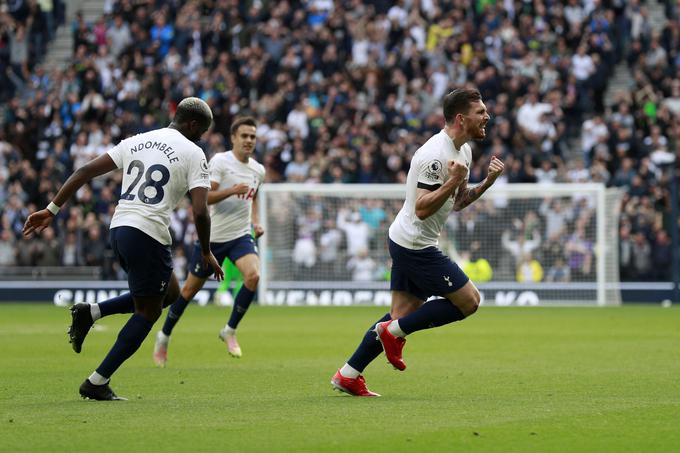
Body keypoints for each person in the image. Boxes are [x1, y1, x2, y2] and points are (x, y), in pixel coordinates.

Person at [23, 97, 224, 400]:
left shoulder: (136, 141)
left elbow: (83, 172)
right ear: (193, 125)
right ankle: (97, 382)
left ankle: (91, 312)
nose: (202, 137)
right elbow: (200, 211)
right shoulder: (194, 153)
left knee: (168, 292)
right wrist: (207, 251)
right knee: (149, 311)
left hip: (119, 230)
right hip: (149, 234)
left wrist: (51, 209)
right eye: (202, 131)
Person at [331, 88, 504, 396]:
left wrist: (487, 181)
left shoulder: (463, 150)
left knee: (400, 314)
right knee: (469, 301)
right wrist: (453, 179)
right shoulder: (434, 155)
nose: (487, 116)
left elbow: (459, 201)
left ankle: (348, 373)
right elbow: (423, 209)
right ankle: (393, 333)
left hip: (406, 239)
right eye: (481, 112)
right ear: (461, 119)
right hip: (415, 245)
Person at [153, 116, 265, 366]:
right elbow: (204, 199)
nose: (249, 140)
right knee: (189, 292)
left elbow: (254, 197)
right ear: (234, 138)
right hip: (212, 239)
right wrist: (230, 190)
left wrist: (255, 222)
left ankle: (230, 330)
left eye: (253, 137)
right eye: (244, 136)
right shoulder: (220, 163)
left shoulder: (258, 170)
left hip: (240, 236)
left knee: (253, 276)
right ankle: (164, 335)